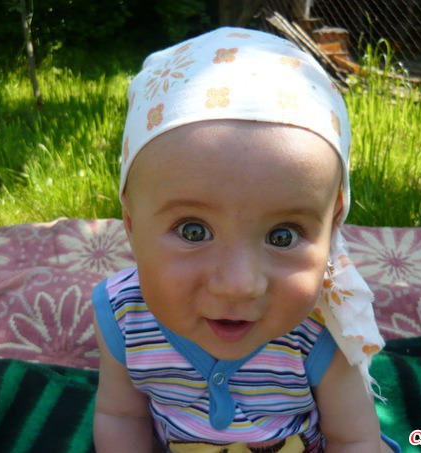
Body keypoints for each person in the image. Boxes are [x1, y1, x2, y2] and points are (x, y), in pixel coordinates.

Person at [92, 27, 400, 453]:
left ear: (332, 228)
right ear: (131, 224)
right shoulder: (124, 317)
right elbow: (121, 416)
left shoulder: (320, 328)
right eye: (193, 231)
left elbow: (353, 439)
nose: (240, 285)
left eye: (282, 236)